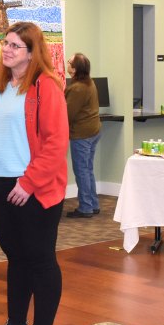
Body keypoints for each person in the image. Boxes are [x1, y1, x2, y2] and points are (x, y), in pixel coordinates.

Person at [0, 22, 69, 325]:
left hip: (32, 187)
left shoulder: (46, 87)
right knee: (16, 258)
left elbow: (56, 143)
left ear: (32, 52)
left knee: (40, 259)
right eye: (6, 44)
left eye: (16, 46)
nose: (7, 50)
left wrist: (28, 183)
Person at [64, 52, 101, 218]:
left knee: (81, 171)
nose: (67, 63)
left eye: (69, 62)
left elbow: (68, 114)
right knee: (87, 169)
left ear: (74, 69)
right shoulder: (89, 82)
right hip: (93, 130)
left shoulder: (77, 88)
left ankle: (86, 207)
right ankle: (93, 204)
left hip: (82, 134)